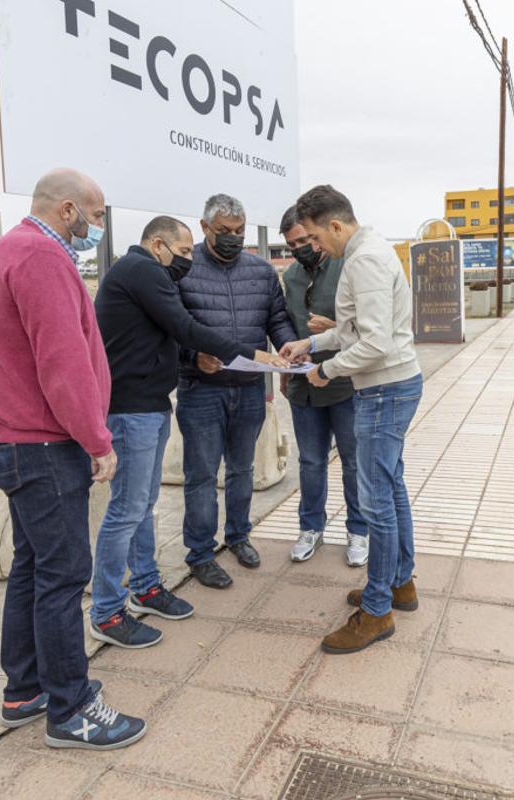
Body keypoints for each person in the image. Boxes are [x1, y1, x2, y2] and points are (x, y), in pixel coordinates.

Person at [0, 168, 146, 750]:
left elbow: (11, 347)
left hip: (15, 441)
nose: (96, 229)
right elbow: (62, 362)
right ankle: (72, 709)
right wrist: (98, 440)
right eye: (95, 218)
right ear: (67, 210)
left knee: (33, 568)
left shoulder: (7, 249)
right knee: (65, 577)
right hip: (43, 446)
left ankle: (24, 688)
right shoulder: (42, 257)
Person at [89, 216, 286, 649]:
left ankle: (145, 586)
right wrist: (253, 355)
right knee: (126, 510)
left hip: (150, 405)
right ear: (158, 245)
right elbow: (187, 328)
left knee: (143, 505)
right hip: (129, 409)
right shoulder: (141, 269)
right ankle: (105, 610)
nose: (185, 262)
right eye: (181, 254)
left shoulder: (147, 271)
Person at [280, 185, 422, 655]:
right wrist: (311, 345)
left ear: (336, 225)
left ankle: (378, 610)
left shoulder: (363, 260)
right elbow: (355, 330)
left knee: (377, 503)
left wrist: (326, 370)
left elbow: (375, 343)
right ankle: (400, 584)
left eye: (317, 238)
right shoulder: (369, 252)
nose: (316, 248)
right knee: (391, 489)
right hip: (387, 386)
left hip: (383, 389)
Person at [176, 193, 298, 589]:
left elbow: (276, 318)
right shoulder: (182, 269)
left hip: (248, 389)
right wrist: (193, 356)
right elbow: (167, 326)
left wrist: (287, 346)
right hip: (201, 390)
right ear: (204, 227)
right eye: (224, 231)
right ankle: (200, 552)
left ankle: (239, 536)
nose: (233, 237)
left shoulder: (262, 272)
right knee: (201, 475)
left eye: (239, 231)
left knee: (243, 470)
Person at [277, 205, 368, 567]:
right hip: (304, 387)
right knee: (311, 462)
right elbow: (287, 323)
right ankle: (310, 527)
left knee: (352, 463)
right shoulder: (293, 277)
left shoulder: (347, 266)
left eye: (305, 239)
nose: (301, 247)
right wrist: (285, 371)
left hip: (344, 383)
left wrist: (333, 327)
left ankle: (358, 530)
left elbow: (369, 329)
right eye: (292, 244)